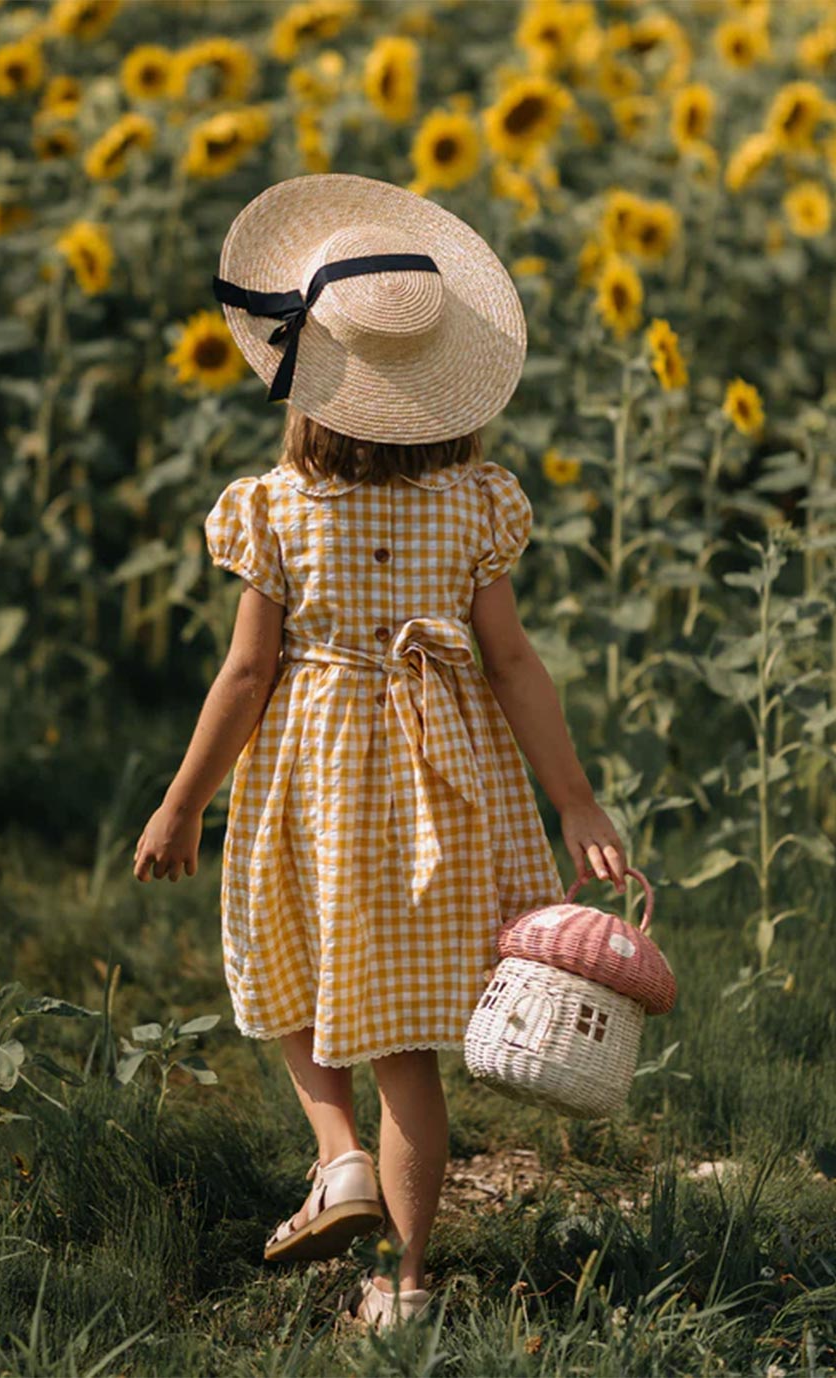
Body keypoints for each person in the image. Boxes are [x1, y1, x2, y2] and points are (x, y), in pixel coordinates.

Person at [133, 174, 628, 1332]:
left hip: (313, 769)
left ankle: (338, 1153)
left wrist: (182, 800)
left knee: (286, 956)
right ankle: (405, 1286)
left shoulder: (274, 506)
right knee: (406, 1040)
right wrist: (574, 801)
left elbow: (246, 674)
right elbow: (514, 663)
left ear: (305, 372)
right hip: (442, 781)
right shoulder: (477, 502)